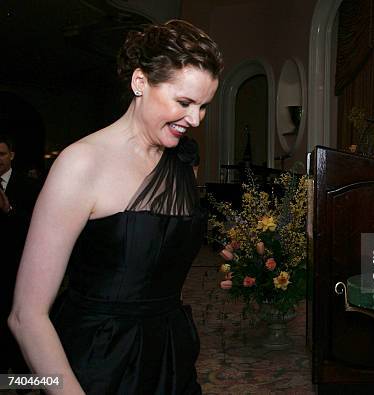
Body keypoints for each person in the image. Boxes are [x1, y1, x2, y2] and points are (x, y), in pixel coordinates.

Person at [8, 20, 223, 394]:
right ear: (140, 82)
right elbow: (26, 317)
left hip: (170, 356)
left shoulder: (184, 162)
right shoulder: (81, 164)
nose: (195, 119)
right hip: (96, 360)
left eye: (204, 106)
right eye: (184, 102)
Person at [0, 134, 41, 379]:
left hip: (18, 269)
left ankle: (24, 378)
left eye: (1, 154)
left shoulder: (29, 186)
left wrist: (9, 210)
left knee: (19, 323)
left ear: (11, 156)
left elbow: (37, 227)